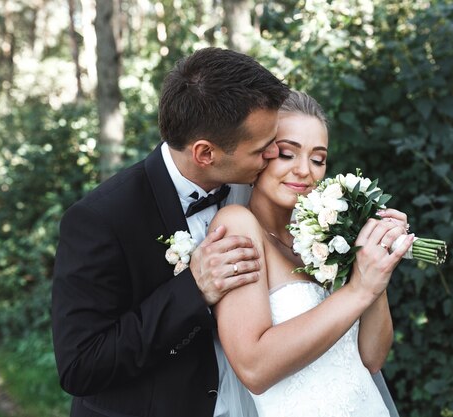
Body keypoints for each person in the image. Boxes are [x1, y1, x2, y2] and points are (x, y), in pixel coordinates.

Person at [51, 47, 290, 417]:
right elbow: (81, 366)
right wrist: (192, 289)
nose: (275, 153)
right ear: (205, 154)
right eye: (261, 148)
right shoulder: (101, 219)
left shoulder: (258, 189)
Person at [210, 91, 413, 417]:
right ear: (260, 154)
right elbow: (254, 369)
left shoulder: (325, 236)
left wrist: (375, 264)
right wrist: (359, 290)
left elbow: (372, 358)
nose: (305, 170)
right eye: (288, 154)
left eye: (318, 159)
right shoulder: (238, 225)